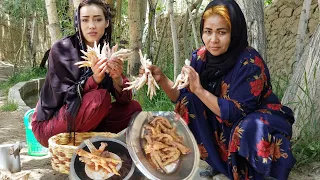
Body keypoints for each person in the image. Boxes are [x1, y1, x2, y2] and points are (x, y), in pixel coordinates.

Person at [141, 0, 296, 179]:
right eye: (208, 32)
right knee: (188, 103)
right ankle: (221, 165)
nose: (213, 40)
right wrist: (161, 78)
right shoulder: (200, 57)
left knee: (247, 127)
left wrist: (199, 90)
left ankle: (256, 173)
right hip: (222, 123)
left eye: (221, 32)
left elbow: (236, 113)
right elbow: (180, 97)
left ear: (234, 33)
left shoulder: (250, 63)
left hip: (253, 123)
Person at [31, 0, 142, 148]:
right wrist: (94, 79)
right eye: (85, 20)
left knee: (134, 110)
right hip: (51, 124)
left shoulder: (108, 51)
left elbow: (125, 100)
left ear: (107, 22)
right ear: (78, 23)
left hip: (88, 118)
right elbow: (64, 98)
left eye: (97, 19)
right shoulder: (62, 49)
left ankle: (91, 140)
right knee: (100, 98)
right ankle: (91, 144)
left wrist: (117, 78)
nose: (91, 25)